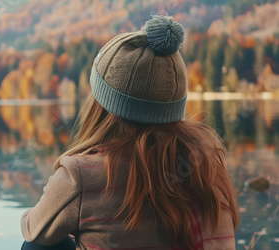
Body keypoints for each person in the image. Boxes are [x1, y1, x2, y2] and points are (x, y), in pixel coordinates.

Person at [20, 15, 239, 250]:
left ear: (101, 104)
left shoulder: (81, 174)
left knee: (37, 246)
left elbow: (33, 229)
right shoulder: (207, 163)